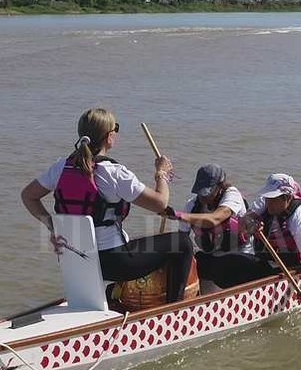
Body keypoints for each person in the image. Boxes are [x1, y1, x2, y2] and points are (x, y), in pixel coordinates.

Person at [20, 108, 195, 303]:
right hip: (114, 263)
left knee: (142, 242)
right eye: (116, 129)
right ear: (109, 137)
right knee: (182, 244)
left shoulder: (61, 167)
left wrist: (52, 226)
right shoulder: (114, 173)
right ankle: (172, 311)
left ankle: (109, 298)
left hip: (76, 260)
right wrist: (161, 173)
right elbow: (161, 203)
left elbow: (28, 196)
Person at [243, 174, 301, 301]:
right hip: (274, 260)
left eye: (273, 198)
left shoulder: (299, 218)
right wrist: (251, 224)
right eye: (268, 197)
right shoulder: (265, 202)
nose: (268, 202)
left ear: (287, 198)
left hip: (300, 264)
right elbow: (244, 221)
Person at [170, 163, 251, 288]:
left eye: (207, 192)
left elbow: (215, 218)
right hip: (213, 255)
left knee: (227, 263)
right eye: (200, 192)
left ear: (220, 187)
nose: (203, 196)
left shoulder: (232, 195)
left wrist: (180, 216)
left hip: (241, 252)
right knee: (196, 260)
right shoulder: (191, 206)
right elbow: (181, 240)